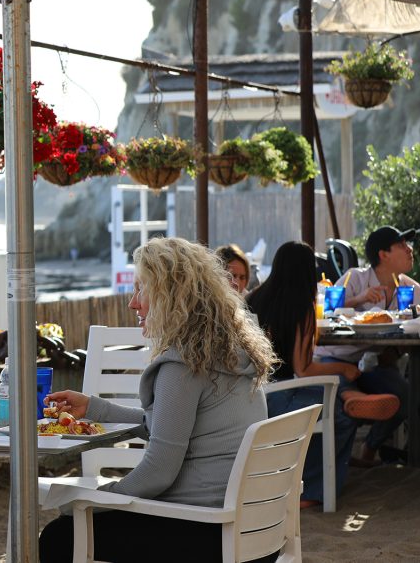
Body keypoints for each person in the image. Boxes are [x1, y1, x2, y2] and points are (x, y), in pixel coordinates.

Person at [38, 237, 279, 563]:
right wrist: (97, 408)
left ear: (172, 296)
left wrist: (96, 499)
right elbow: (172, 427)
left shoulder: (184, 366)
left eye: (142, 290)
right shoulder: (229, 352)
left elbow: (158, 472)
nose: (132, 303)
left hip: (208, 530)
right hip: (257, 530)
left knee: (60, 536)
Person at [247, 241, 398, 510]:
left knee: (330, 387)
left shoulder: (254, 299)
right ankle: (311, 490)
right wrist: (342, 368)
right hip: (284, 397)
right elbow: (304, 369)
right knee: (341, 416)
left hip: (254, 395)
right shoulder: (301, 307)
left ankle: (349, 392)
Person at [315, 226, 418, 465]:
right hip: (333, 357)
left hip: (369, 365)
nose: (410, 250)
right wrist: (359, 299)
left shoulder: (414, 291)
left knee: (405, 396)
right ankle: (354, 396)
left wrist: (395, 351)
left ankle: (368, 448)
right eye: (402, 245)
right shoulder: (355, 278)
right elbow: (326, 310)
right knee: (338, 381)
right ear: (384, 254)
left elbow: (416, 328)